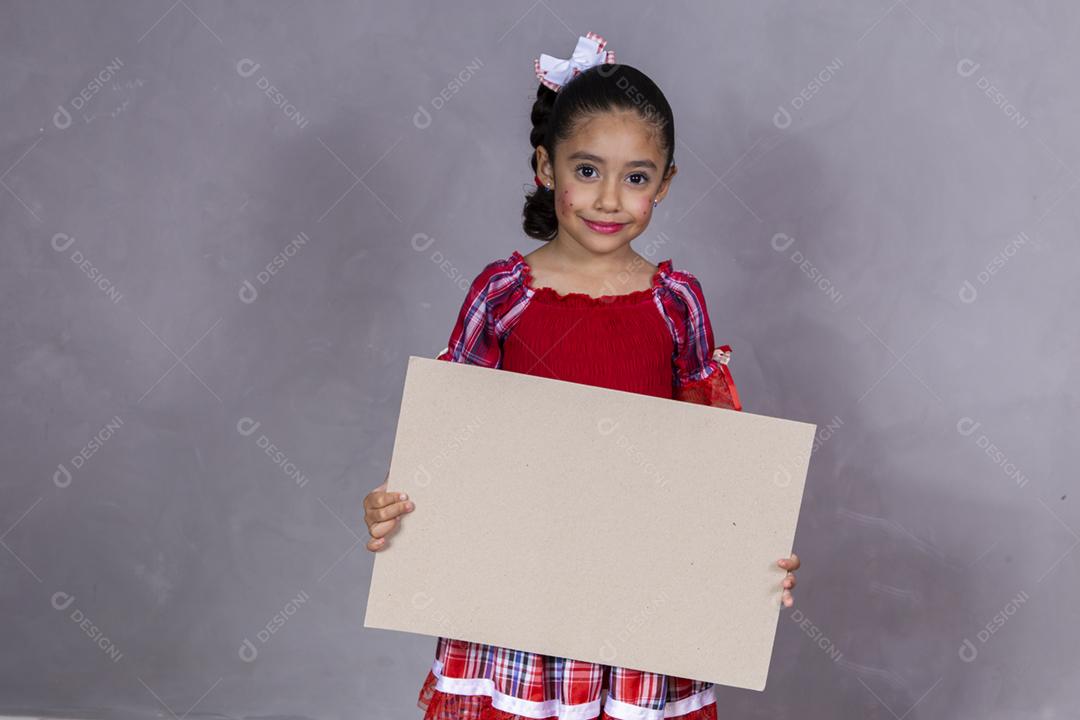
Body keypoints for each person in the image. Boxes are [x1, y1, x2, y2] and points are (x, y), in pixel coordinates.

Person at [363, 31, 801, 720]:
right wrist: (398, 505)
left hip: (639, 606)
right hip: (520, 602)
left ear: (665, 183)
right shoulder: (503, 294)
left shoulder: (676, 302)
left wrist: (746, 553)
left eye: (636, 177)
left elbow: (708, 456)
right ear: (547, 167)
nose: (608, 199)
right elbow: (449, 440)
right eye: (588, 170)